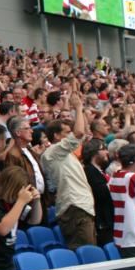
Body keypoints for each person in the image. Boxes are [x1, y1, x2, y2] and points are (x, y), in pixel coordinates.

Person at [41, 94, 96, 249]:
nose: (70, 135)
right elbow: (78, 133)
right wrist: (78, 108)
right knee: (86, 255)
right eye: (66, 132)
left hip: (82, 207)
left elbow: (82, 132)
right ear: (56, 136)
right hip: (74, 208)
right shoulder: (52, 153)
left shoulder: (66, 154)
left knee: (92, 254)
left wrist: (81, 113)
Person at [82, 139, 114, 246]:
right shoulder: (89, 171)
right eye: (103, 149)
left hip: (109, 219)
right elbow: (102, 193)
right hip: (103, 222)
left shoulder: (100, 171)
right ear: (94, 152)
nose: (107, 152)